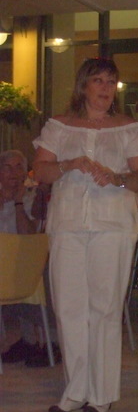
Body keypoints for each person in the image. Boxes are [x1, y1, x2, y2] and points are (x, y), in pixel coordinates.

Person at [32, 57, 138, 412]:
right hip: (68, 224)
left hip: (112, 225)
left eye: (110, 81)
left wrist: (117, 177)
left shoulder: (130, 128)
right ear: (83, 86)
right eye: (98, 80)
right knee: (69, 306)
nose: (105, 88)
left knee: (104, 307)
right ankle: (75, 390)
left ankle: (101, 393)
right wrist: (68, 164)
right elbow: (40, 170)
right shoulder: (59, 125)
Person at [0, 149, 55, 367]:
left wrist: (18, 204)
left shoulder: (33, 197)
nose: (14, 173)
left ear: (25, 173)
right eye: (7, 168)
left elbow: (30, 236)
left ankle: (45, 342)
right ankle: (29, 341)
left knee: (44, 268)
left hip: (24, 267)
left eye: (19, 168)